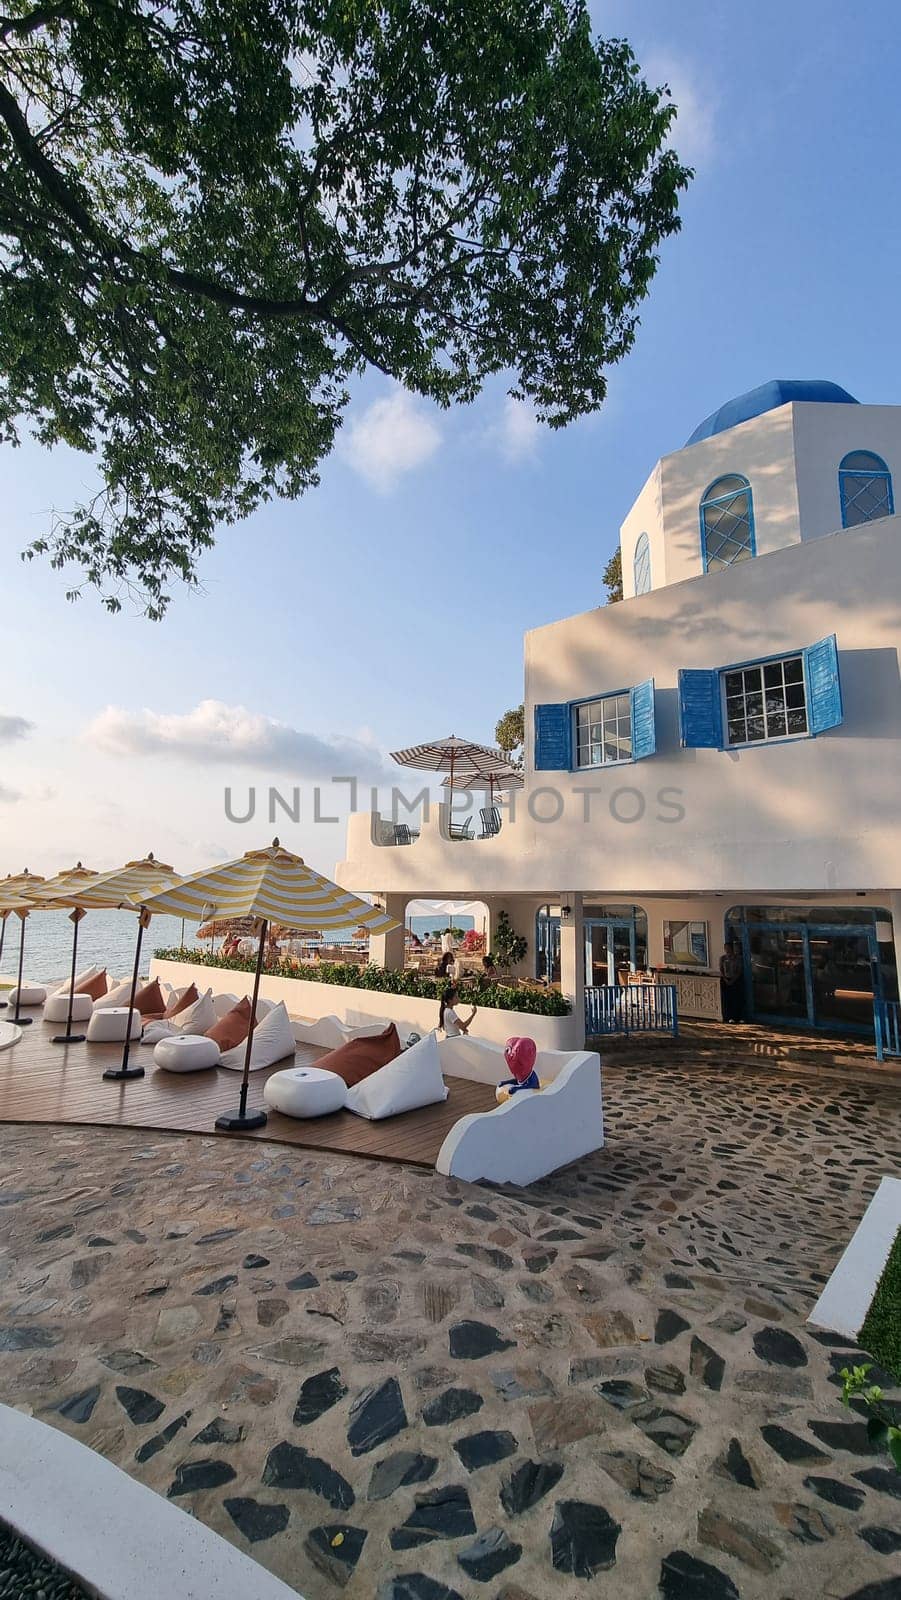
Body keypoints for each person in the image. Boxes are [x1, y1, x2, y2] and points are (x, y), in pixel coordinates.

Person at [719, 938, 744, 1022]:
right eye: (725, 948)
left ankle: (738, 1016)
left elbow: (739, 970)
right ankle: (728, 1017)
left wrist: (733, 980)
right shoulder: (722, 958)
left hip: (735, 980)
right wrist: (725, 979)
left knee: (736, 998)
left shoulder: (738, 958)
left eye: (728, 948)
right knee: (727, 999)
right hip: (725, 980)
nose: (727, 950)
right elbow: (721, 969)